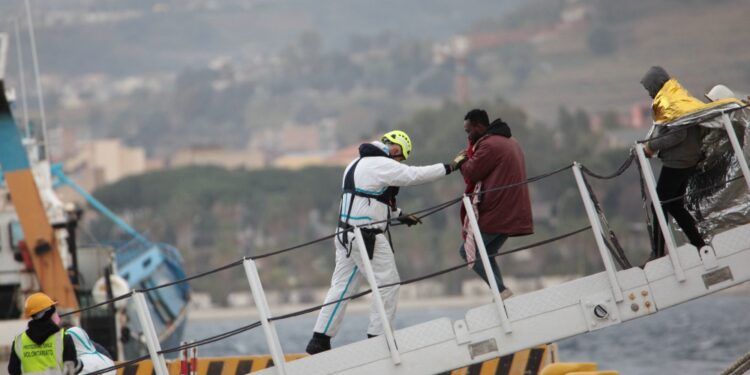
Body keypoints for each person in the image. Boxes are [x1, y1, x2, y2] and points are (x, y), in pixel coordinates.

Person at [305, 130, 466, 354]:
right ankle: (378, 339)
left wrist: (399, 214)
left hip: (345, 235)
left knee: (341, 287)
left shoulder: (357, 163)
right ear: (396, 150)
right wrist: (450, 167)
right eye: (401, 158)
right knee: (388, 284)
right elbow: (414, 175)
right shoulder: (381, 163)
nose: (400, 163)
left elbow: (366, 201)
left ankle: (319, 340)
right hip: (366, 236)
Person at [456, 109, 533, 299]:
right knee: (487, 252)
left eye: (469, 131)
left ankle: (501, 291)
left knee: (467, 251)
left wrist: (461, 161)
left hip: (500, 211)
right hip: (514, 210)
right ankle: (501, 293)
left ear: (479, 127)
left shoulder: (490, 145)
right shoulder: (509, 141)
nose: (468, 135)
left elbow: (472, 173)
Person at [641, 66, 707, 259]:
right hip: (688, 158)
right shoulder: (676, 95)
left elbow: (678, 134)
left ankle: (659, 252)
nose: (649, 94)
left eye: (649, 89)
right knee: (675, 205)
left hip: (679, 161)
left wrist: (650, 148)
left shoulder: (669, 100)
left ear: (655, 85)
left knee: (659, 205)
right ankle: (699, 244)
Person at [8, 293, 80, 375]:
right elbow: (72, 369)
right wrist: (80, 364)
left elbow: (13, 370)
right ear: (49, 313)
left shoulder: (19, 341)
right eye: (54, 311)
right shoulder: (63, 338)